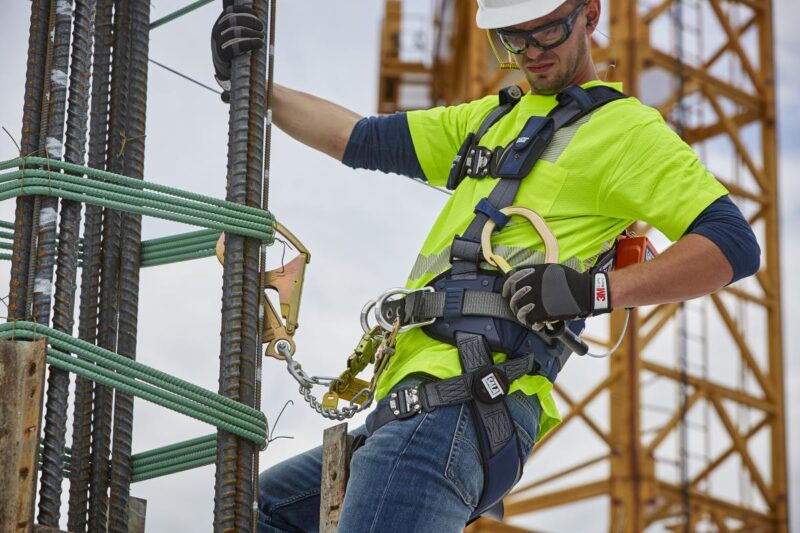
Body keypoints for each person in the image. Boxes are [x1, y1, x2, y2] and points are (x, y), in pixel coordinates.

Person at [211, 0, 760, 531]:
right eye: (512, 38)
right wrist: (254, 84)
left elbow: (731, 245)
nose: (530, 51)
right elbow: (355, 138)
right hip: (411, 407)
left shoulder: (628, 133)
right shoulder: (494, 120)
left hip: (459, 404)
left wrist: (590, 291)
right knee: (263, 511)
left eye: (546, 31)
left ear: (590, 14)